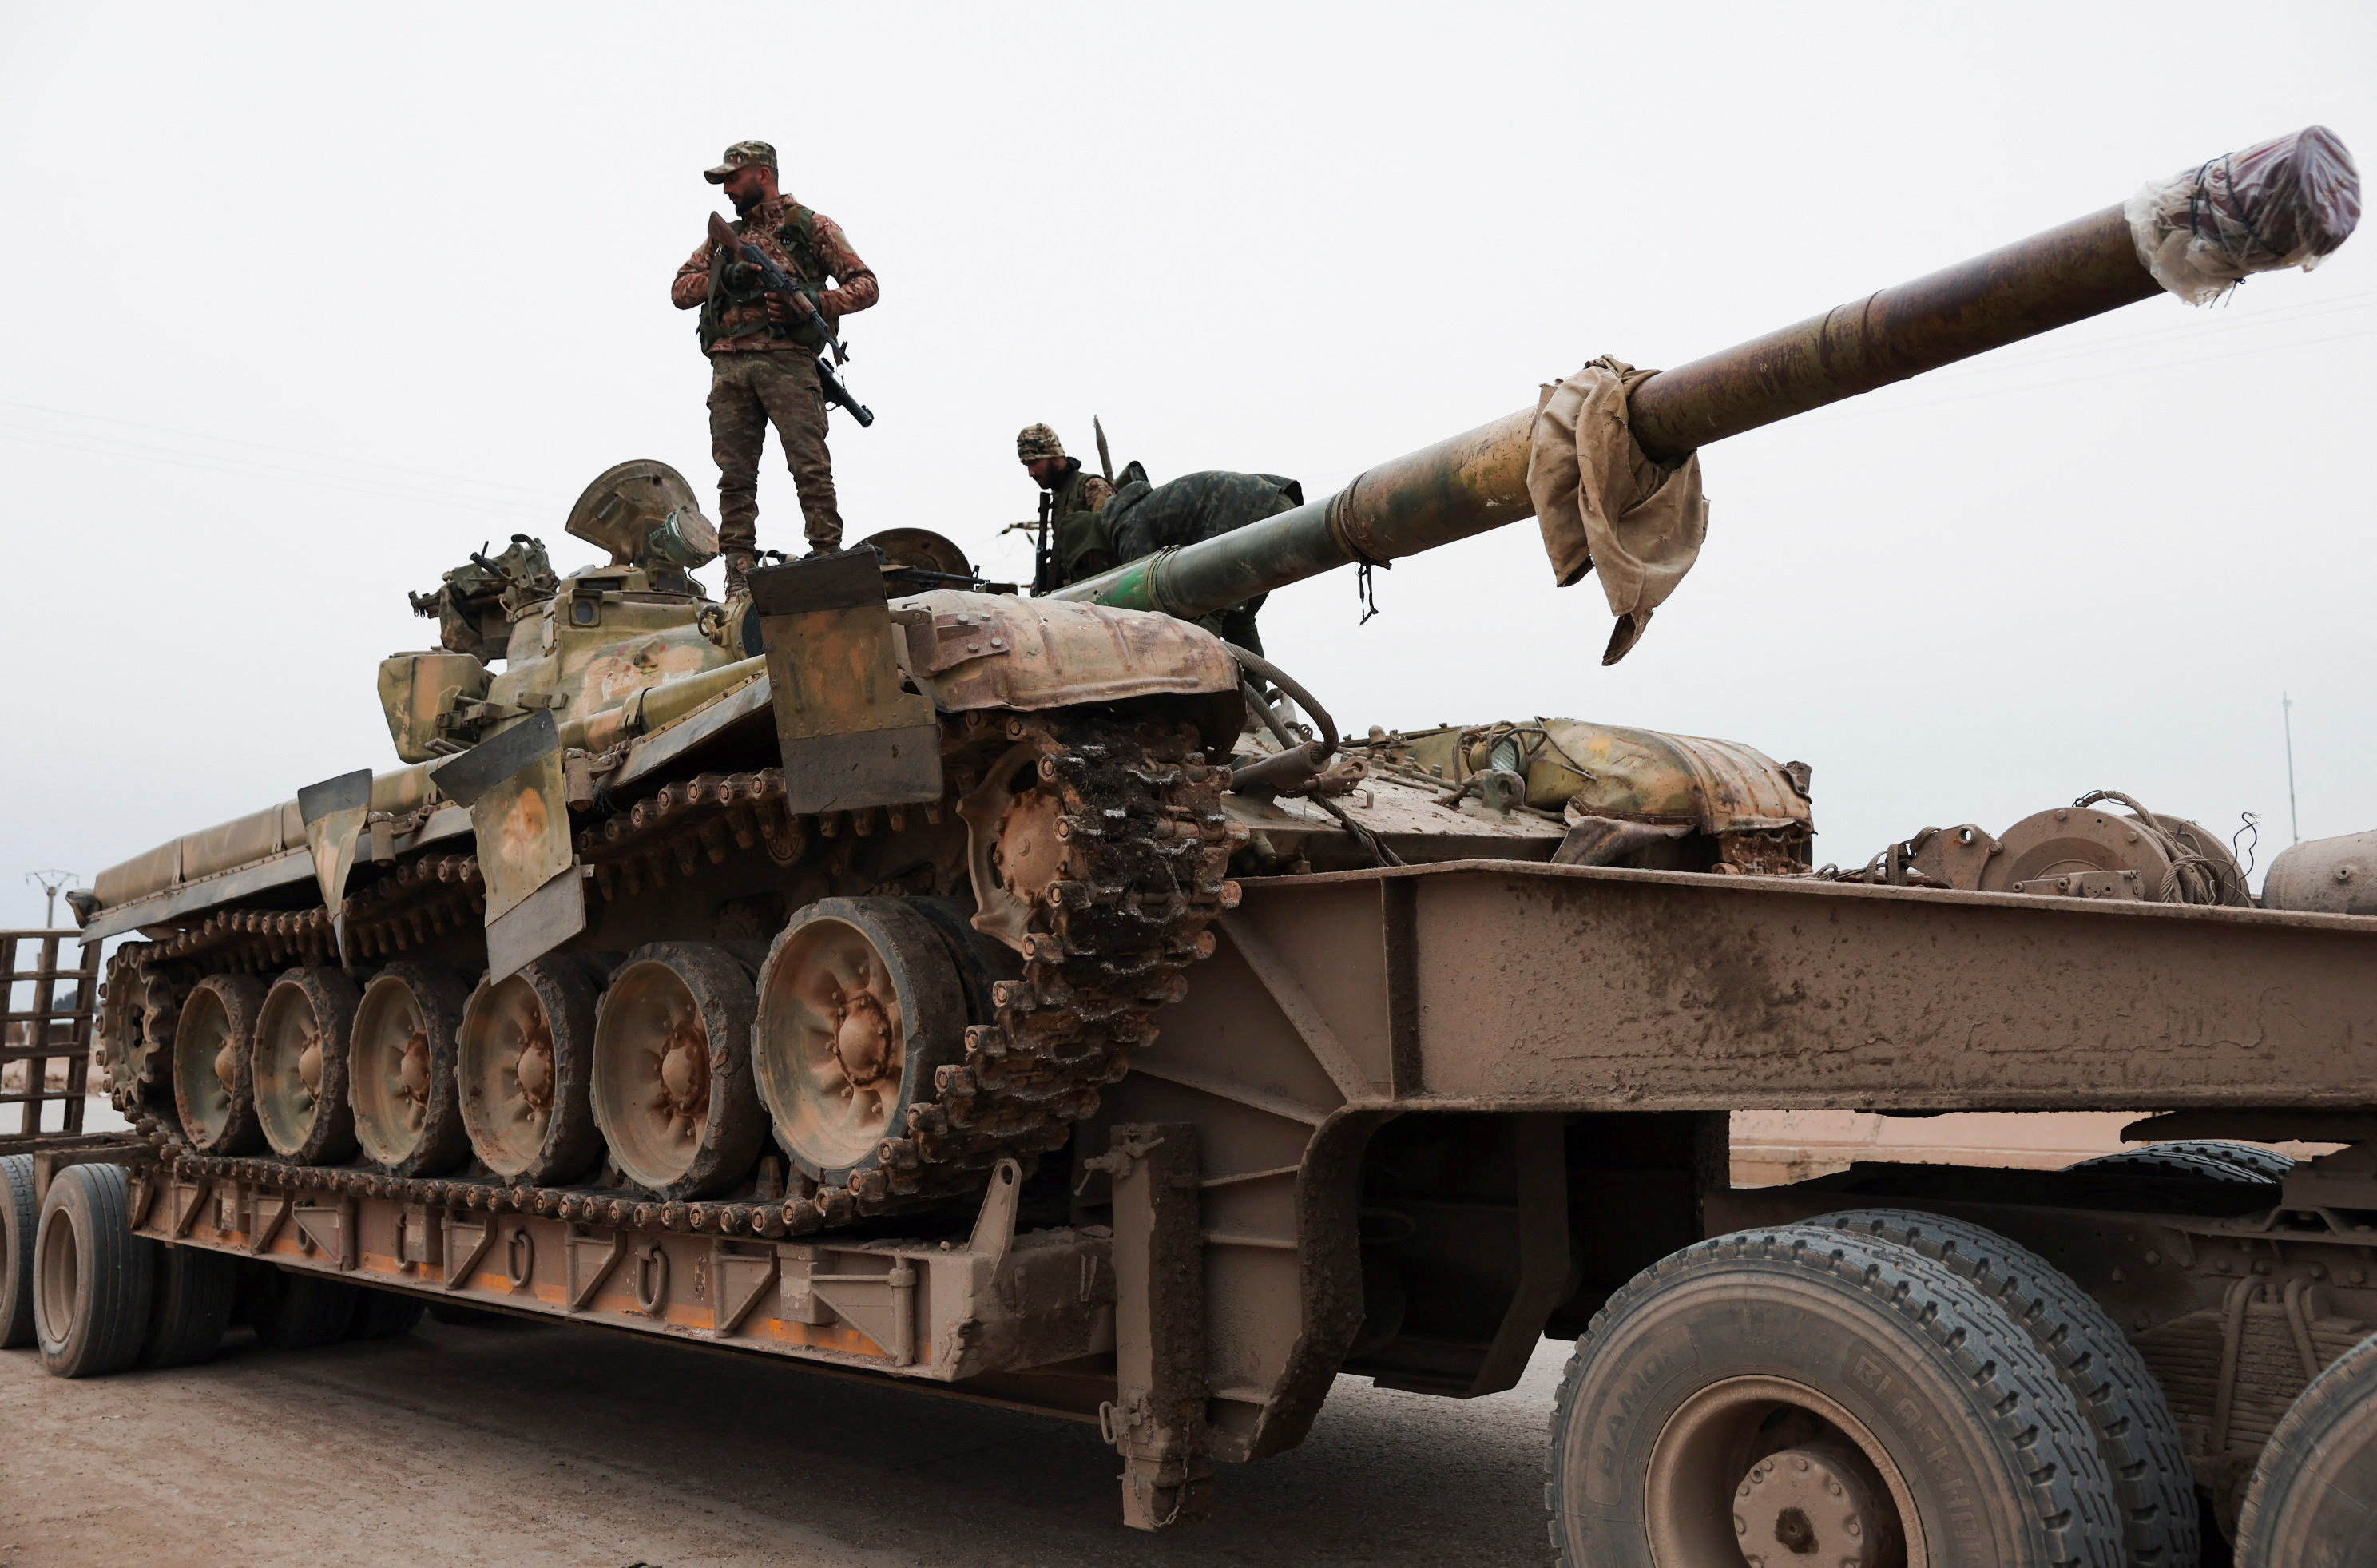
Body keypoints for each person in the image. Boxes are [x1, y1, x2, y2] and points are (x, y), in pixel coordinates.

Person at [672, 141, 879, 592]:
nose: (726, 189)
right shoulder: (722, 238)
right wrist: (728, 276)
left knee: (810, 468)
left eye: (733, 177)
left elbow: (866, 285)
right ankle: (740, 575)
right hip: (730, 367)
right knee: (735, 478)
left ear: (762, 175)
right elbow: (680, 290)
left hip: (788, 363)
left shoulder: (810, 226)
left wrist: (811, 302)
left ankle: (828, 558)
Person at [1017, 424, 1116, 588]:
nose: (1031, 472)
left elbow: (1108, 549)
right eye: (1027, 465)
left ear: (1054, 456)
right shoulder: (1059, 498)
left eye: (1034, 463)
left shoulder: (1092, 487)